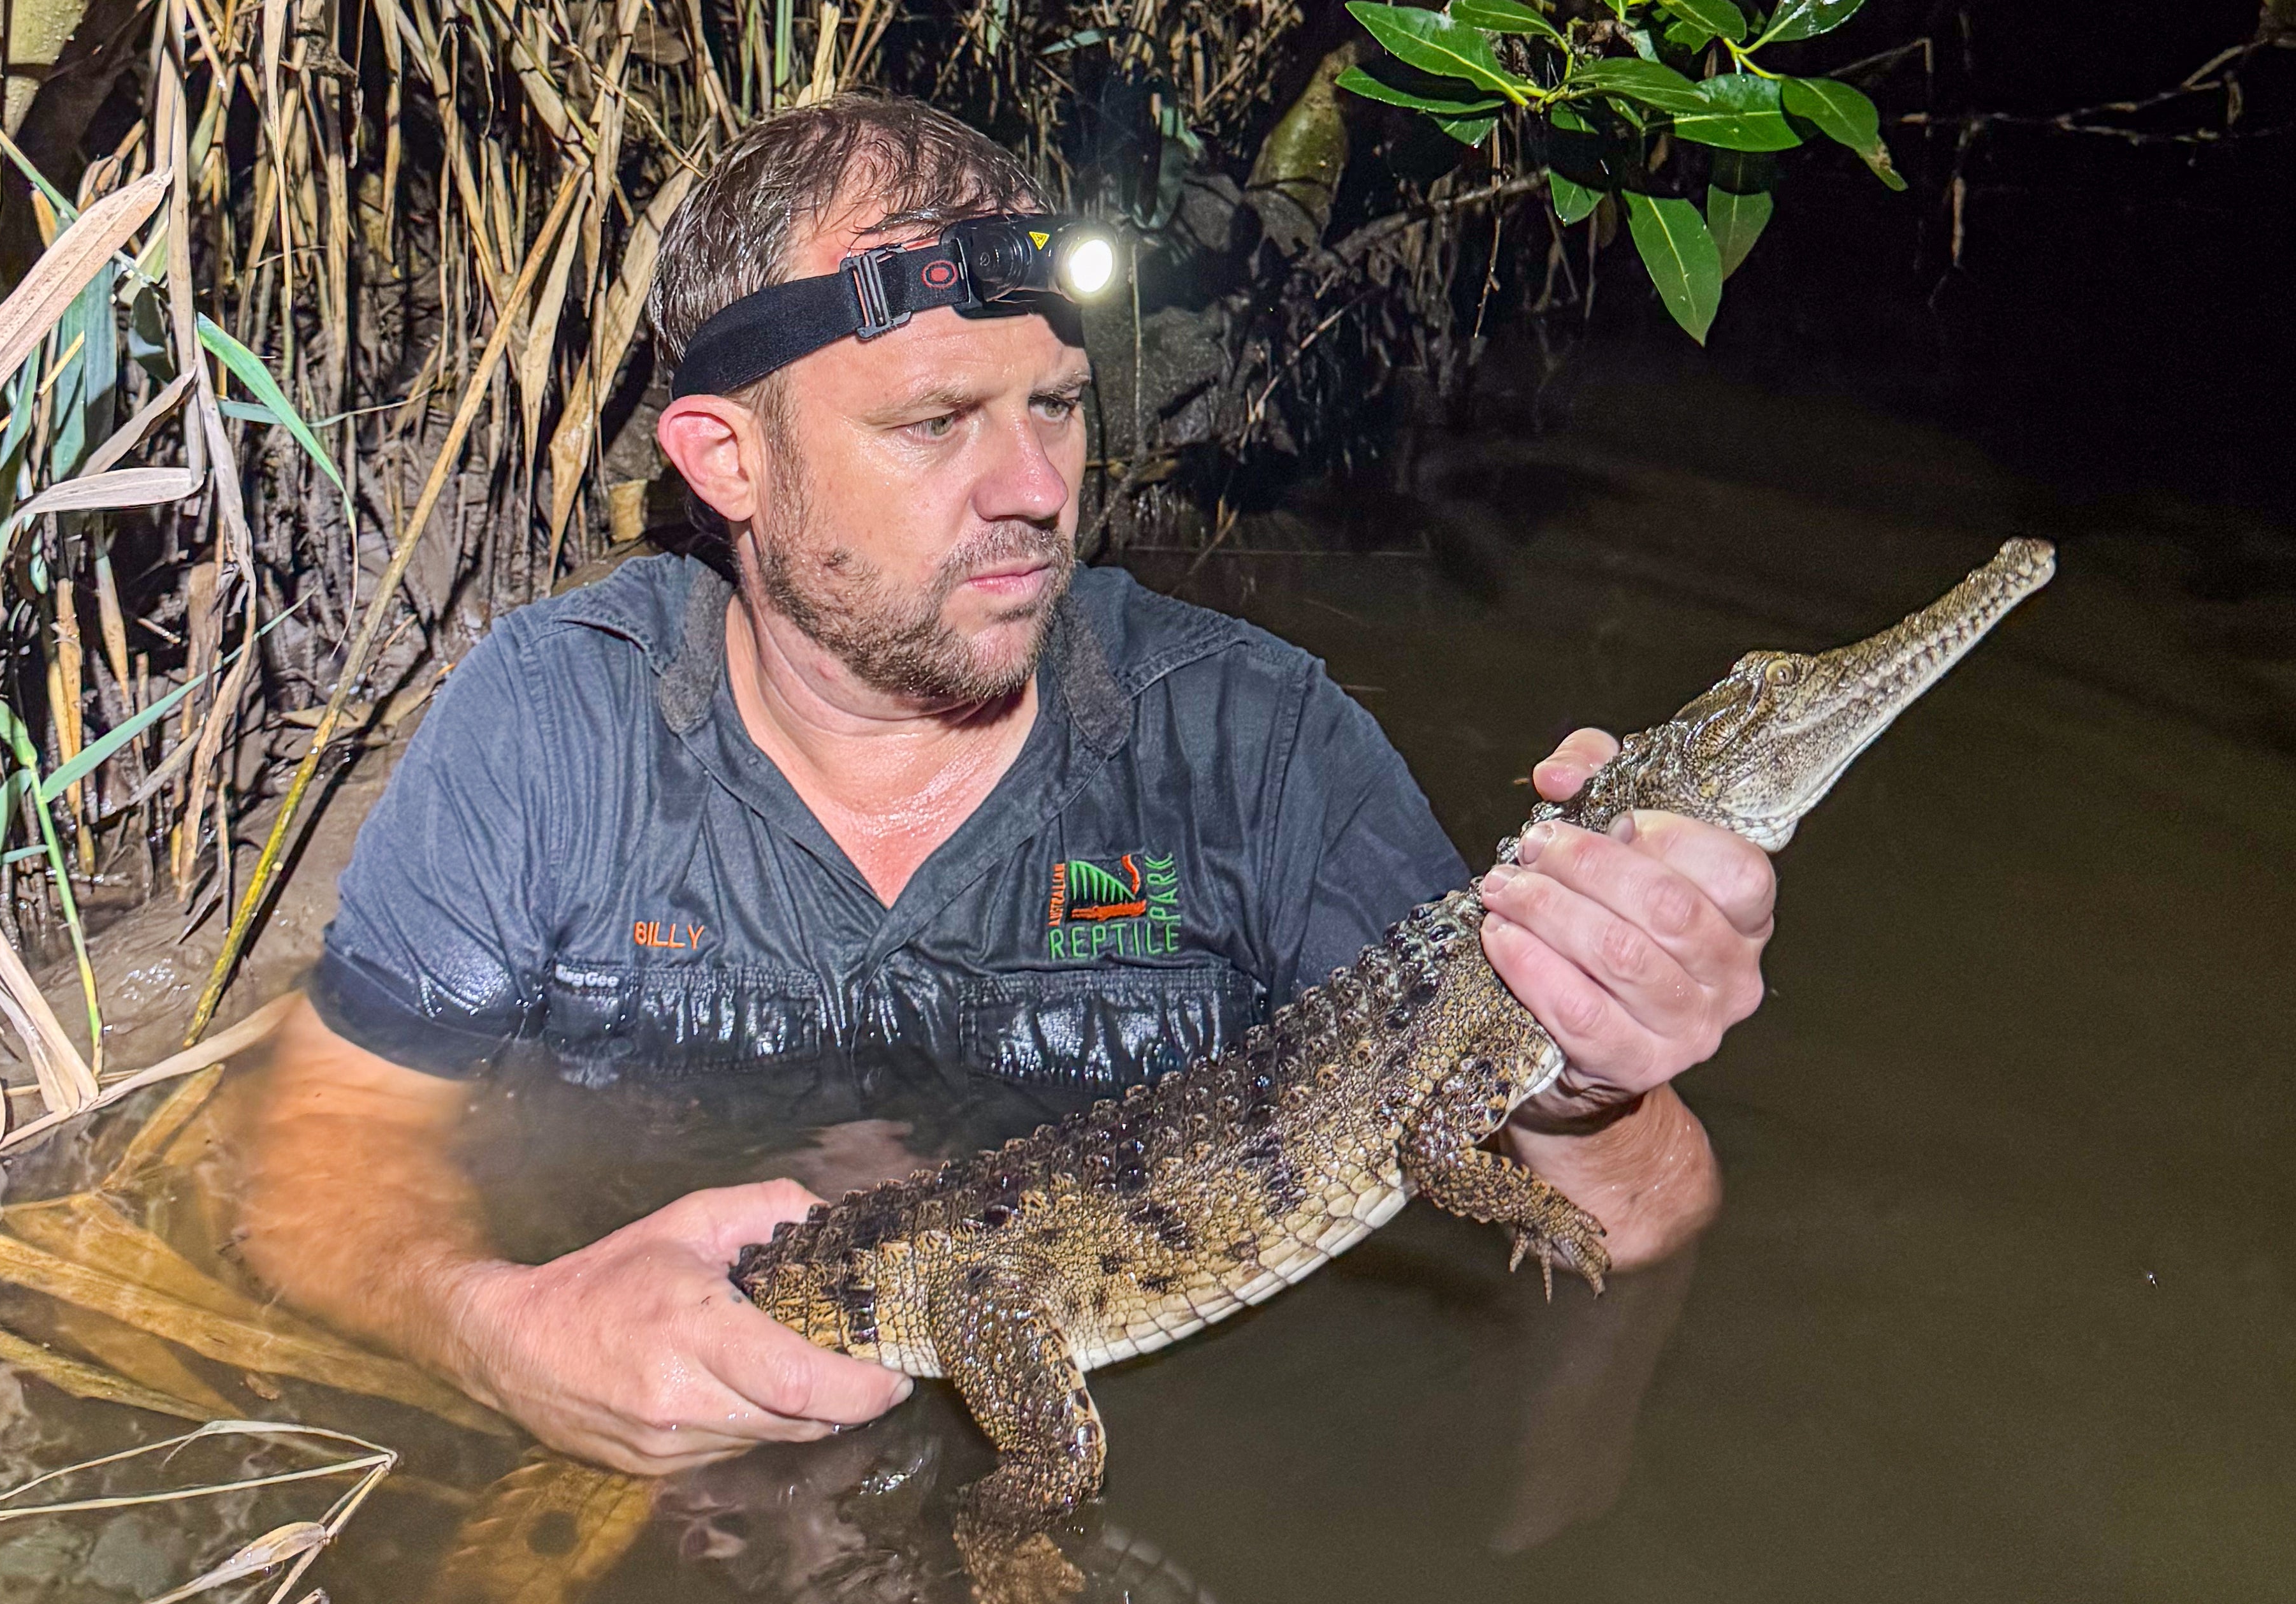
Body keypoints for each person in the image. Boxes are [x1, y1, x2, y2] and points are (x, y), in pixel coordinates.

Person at [237, 96, 1769, 1480]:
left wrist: (1590, 1080)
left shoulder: (1256, 743)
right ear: (725, 461)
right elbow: (313, 1164)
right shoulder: (552, 718)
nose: (1037, 486)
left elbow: (1641, 1223)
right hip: (655, 1459)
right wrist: (496, 1331)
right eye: (934, 422)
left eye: (1054, 405)